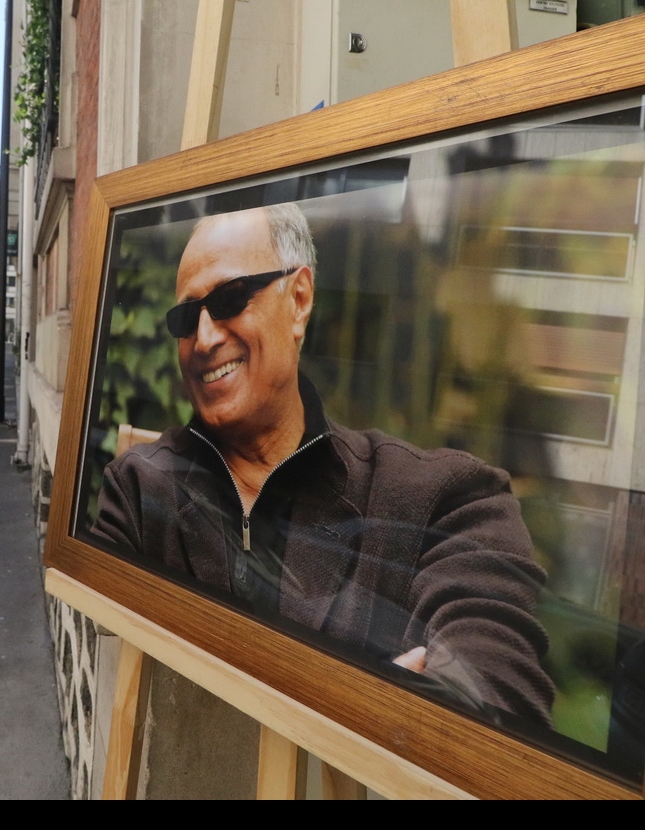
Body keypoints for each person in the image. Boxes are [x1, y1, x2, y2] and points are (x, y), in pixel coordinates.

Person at [90, 204, 555, 725]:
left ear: (300, 299)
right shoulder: (137, 487)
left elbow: (495, 688)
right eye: (185, 317)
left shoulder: (446, 499)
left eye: (229, 299)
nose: (203, 339)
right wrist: (378, 699)